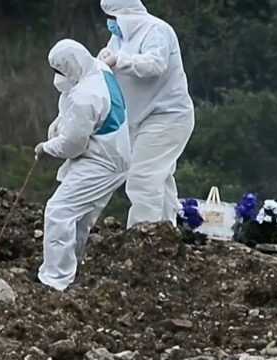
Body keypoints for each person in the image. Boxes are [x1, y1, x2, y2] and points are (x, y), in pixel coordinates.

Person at [34, 39, 131, 291]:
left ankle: (55, 280)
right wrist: (60, 120)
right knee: (80, 217)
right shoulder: (98, 69)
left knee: (59, 211)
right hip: (114, 155)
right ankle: (69, 271)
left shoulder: (84, 96)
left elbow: (73, 145)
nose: (56, 77)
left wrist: (46, 148)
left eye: (59, 71)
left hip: (101, 161)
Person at [97, 0, 195, 228]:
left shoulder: (157, 30)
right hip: (140, 119)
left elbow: (154, 64)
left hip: (167, 117)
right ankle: (165, 234)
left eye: (112, 17)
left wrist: (118, 60)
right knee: (160, 180)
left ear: (126, 14)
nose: (110, 23)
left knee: (142, 179)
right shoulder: (119, 39)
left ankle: (143, 238)